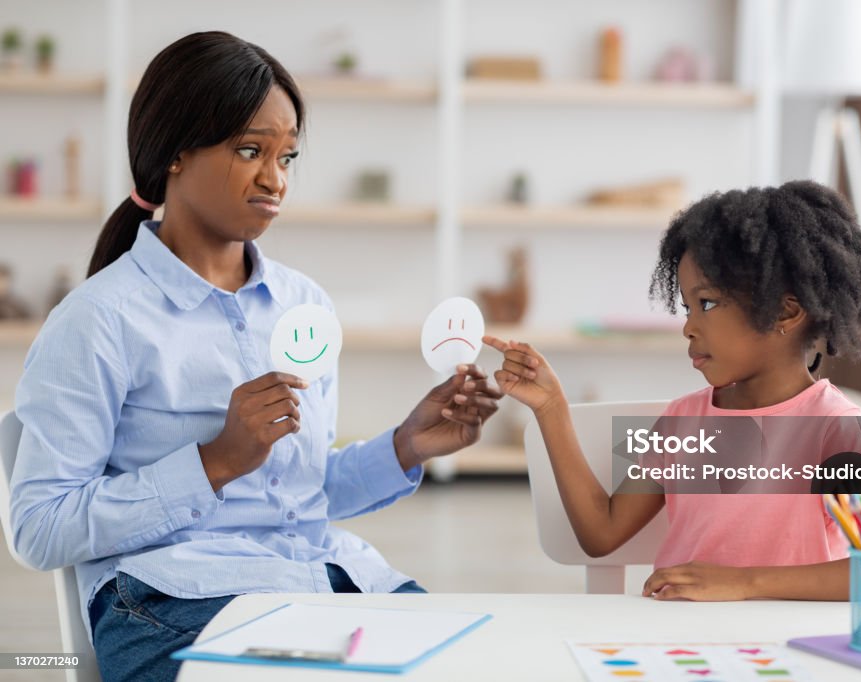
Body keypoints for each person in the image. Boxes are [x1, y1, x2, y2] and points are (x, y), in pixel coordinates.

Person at [9, 31, 502, 681]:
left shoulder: (305, 304)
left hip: (324, 581)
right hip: (175, 603)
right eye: (250, 151)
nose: (275, 179)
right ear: (175, 154)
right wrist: (212, 464)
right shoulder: (98, 320)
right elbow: (40, 529)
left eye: (288, 156)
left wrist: (406, 446)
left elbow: (300, 494)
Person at [485, 181, 861, 602]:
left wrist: (743, 583)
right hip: (676, 641)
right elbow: (601, 534)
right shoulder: (681, 422)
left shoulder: (837, 429)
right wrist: (551, 408)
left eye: (708, 303)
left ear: (785, 312)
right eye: (687, 307)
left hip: (778, 649)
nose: (688, 326)